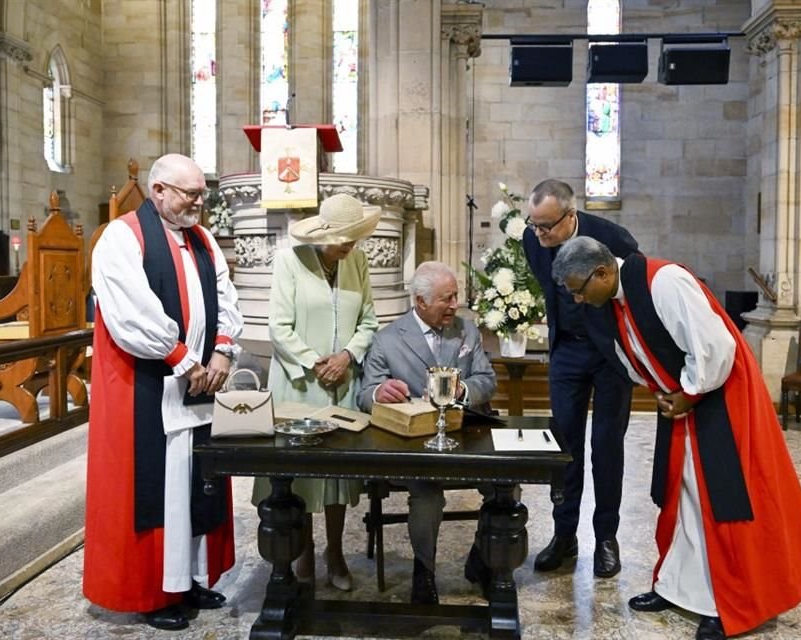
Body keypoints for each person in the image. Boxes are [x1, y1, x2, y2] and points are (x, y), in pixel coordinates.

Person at [551, 236, 801, 640]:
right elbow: (633, 354)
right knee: (682, 495)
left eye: (579, 290)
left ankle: (728, 602)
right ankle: (678, 588)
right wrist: (666, 392)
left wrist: (689, 392)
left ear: (603, 272)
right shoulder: (613, 299)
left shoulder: (664, 281)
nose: (577, 300)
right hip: (682, 399)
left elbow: (716, 346)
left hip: (719, 398)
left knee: (720, 502)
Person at [83, 153, 244, 631]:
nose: (199, 201)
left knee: (197, 485)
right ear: (159, 191)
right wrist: (181, 359)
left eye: (201, 193)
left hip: (199, 384)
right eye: (190, 193)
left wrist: (221, 353)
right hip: (147, 387)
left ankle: (189, 579)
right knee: (159, 490)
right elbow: (130, 314)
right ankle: (154, 592)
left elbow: (225, 297)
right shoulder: (121, 237)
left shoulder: (204, 239)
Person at [251, 193, 381, 591]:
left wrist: (346, 355)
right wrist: (313, 361)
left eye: (355, 237)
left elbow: (369, 320)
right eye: (344, 238)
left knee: (338, 475)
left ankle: (336, 551)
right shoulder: (290, 261)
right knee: (304, 474)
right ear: (323, 233)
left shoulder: (356, 262)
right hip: (299, 384)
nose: (350, 245)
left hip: (342, 382)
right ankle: (305, 548)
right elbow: (279, 326)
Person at [357, 261, 496, 604]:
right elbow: (364, 394)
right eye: (446, 299)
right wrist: (379, 392)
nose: (454, 305)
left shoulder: (467, 331)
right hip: (415, 442)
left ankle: (482, 557)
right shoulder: (388, 339)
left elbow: (487, 379)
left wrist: (462, 390)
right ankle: (424, 572)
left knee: (506, 485)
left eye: (456, 297)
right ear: (420, 301)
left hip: (464, 435)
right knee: (427, 494)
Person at [522, 179, 638, 578]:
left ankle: (606, 537)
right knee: (563, 447)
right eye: (534, 225)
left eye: (547, 227)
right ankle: (564, 535)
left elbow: (632, 293)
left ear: (570, 216)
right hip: (568, 352)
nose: (539, 235)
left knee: (607, 447)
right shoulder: (531, 239)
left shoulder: (613, 238)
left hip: (610, 355)